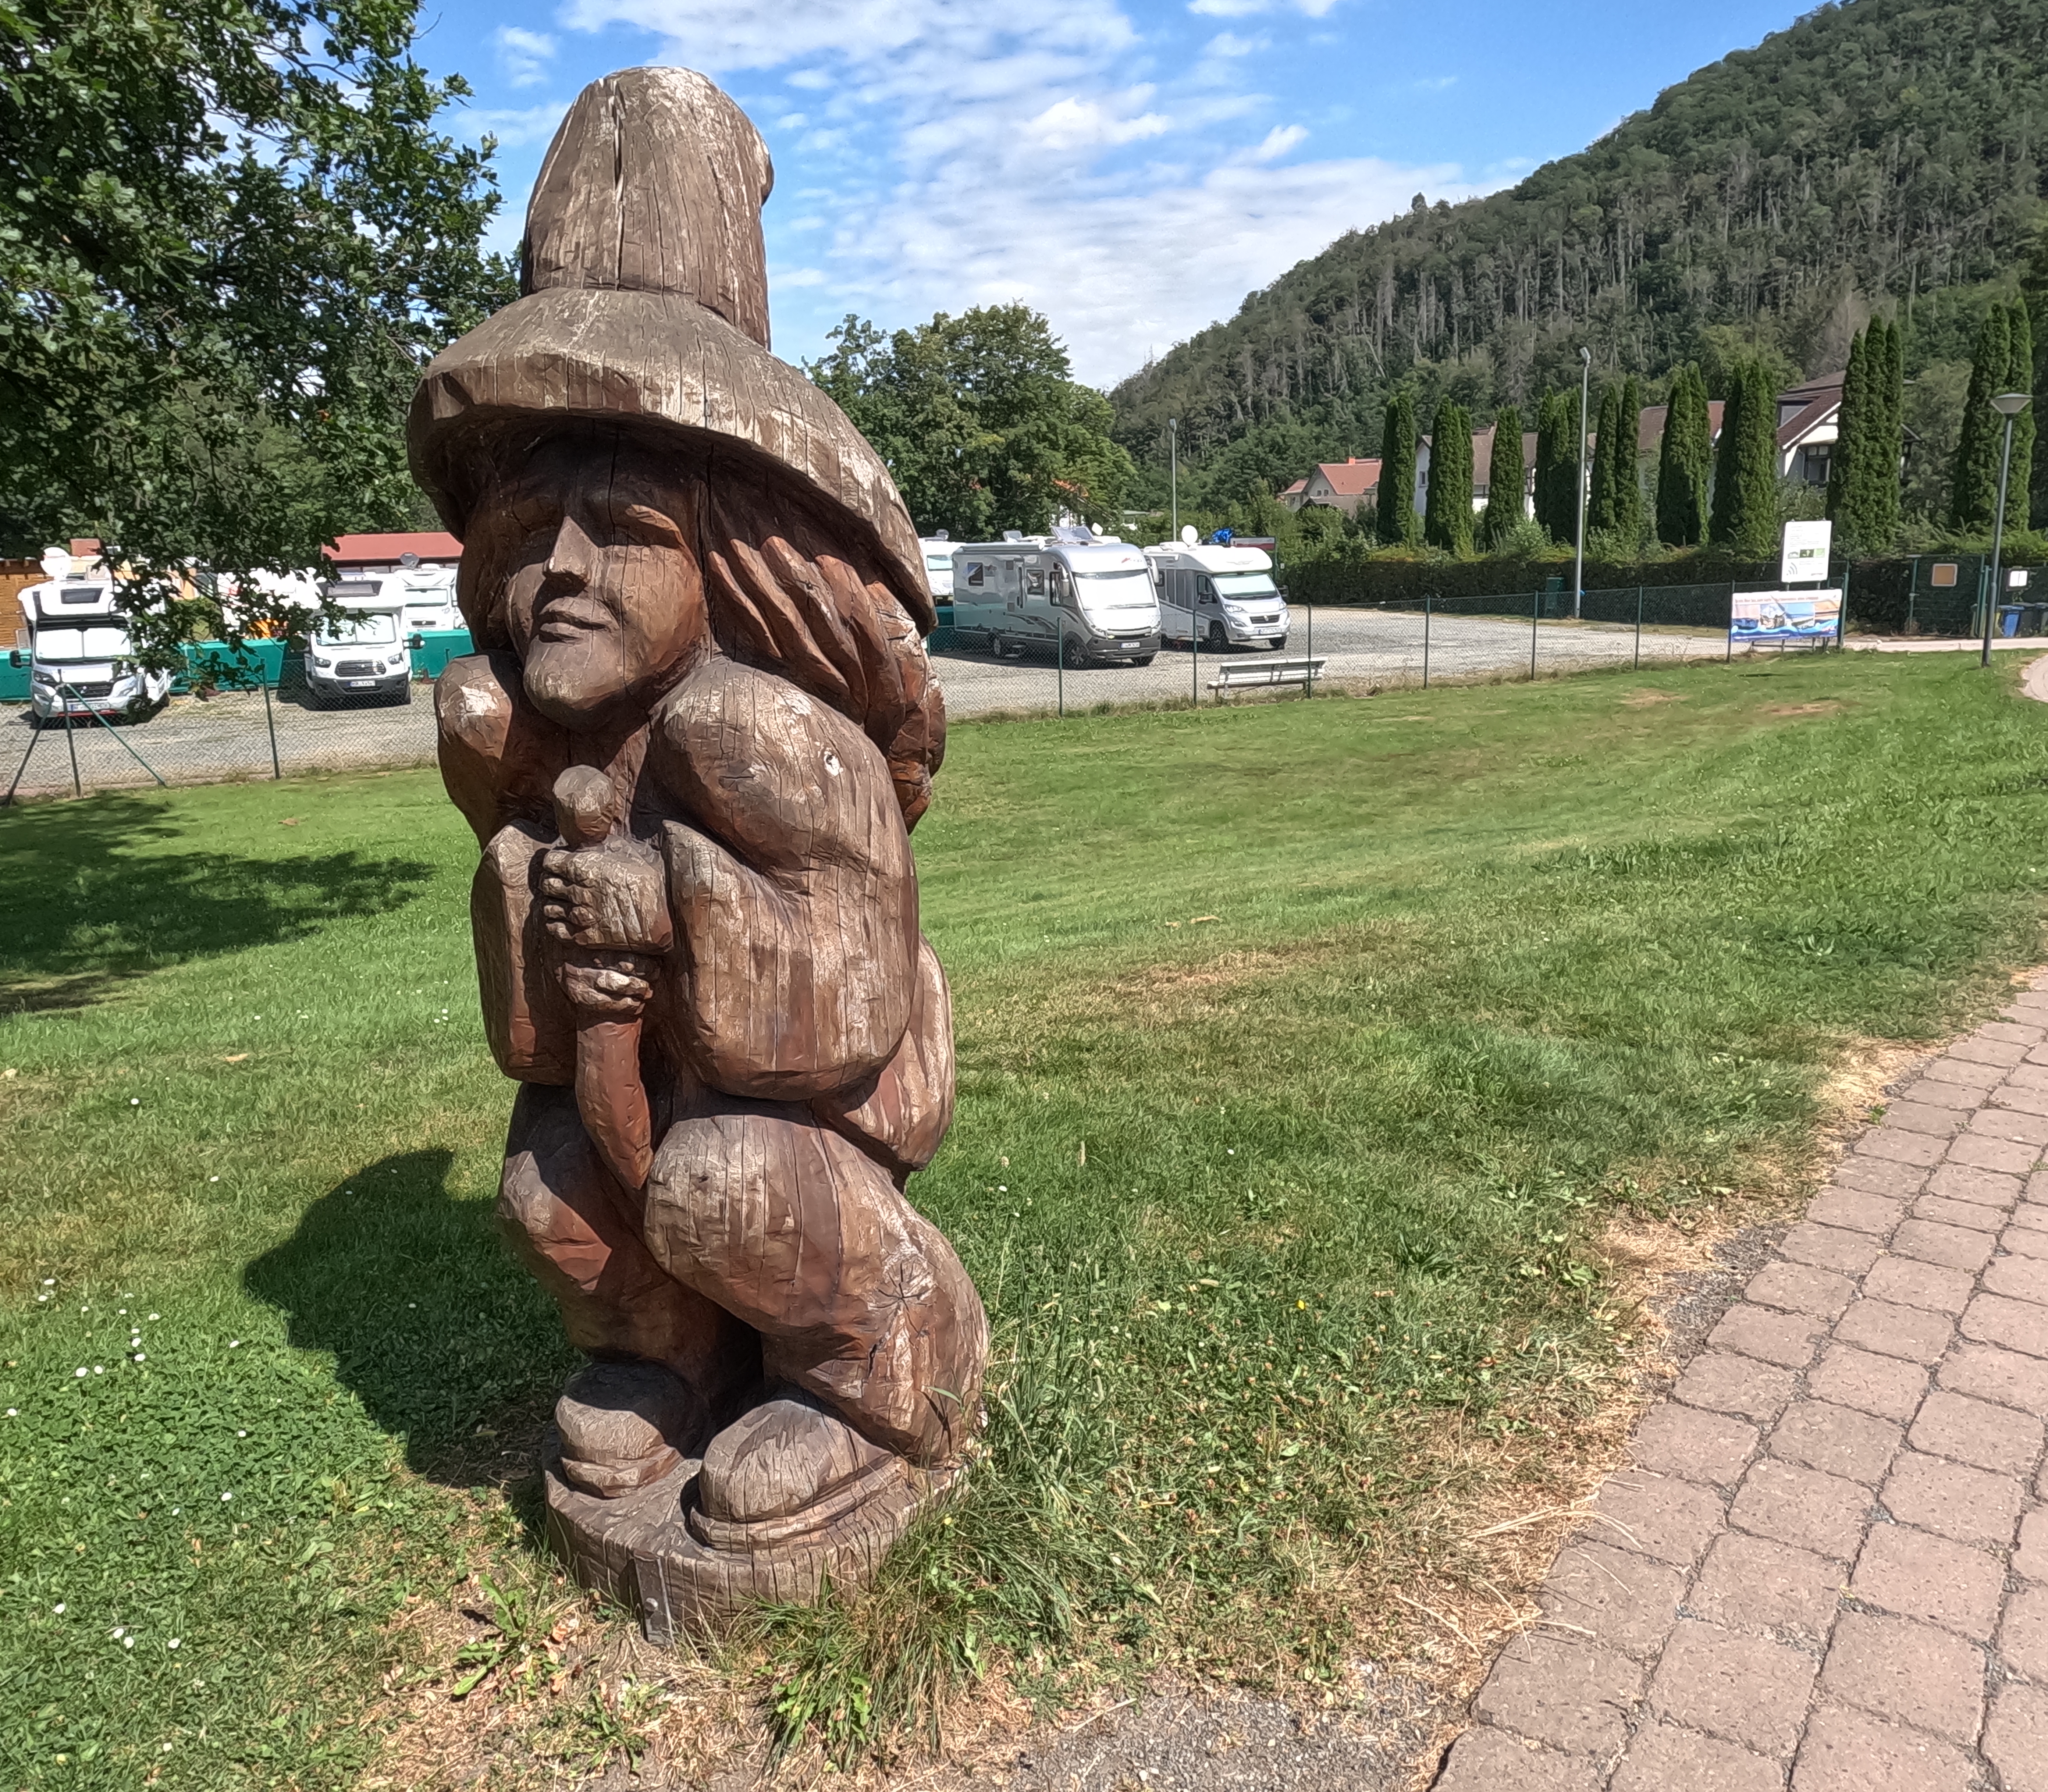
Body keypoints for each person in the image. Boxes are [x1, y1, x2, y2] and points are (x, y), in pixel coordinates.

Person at [406, 65, 985, 1615]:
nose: (562, 576)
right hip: (645, 1106)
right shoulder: (536, 741)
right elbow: (527, 1040)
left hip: (795, 1133)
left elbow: (850, 1001)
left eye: (626, 537)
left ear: (730, 559)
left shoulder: (761, 731)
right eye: (528, 542)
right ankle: (677, 1361)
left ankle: (891, 1369)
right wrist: (533, 885)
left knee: (721, 1185)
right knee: (552, 1186)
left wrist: (670, 903)